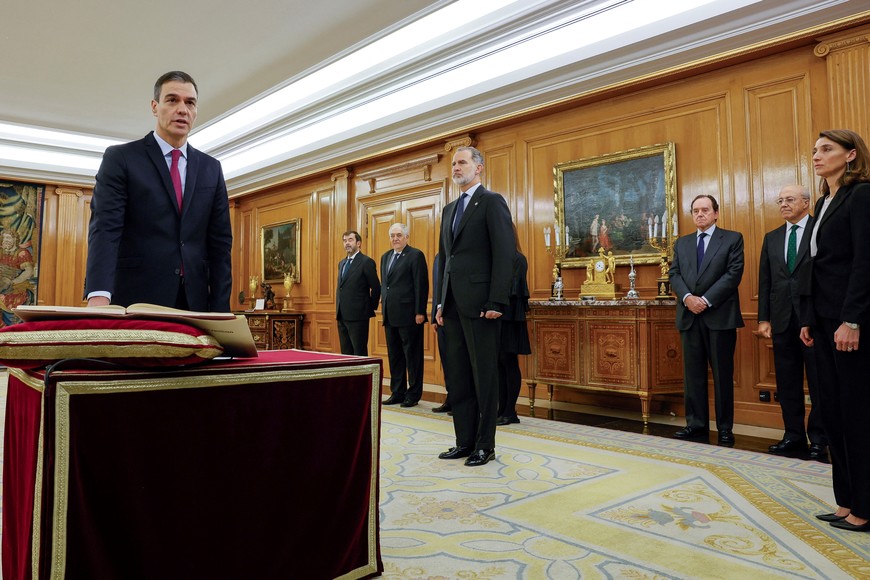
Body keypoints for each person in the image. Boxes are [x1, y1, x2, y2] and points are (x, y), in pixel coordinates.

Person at [85, 71, 232, 311]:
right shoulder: (121, 158)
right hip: (136, 297)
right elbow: (105, 229)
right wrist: (99, 294)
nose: (182, 109)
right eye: (172, 100)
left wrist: (221, 310)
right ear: (155, 107)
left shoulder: (211, 168)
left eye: (190, 103)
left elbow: (220, 244)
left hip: (194, 301)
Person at [800, 129, 870, 532]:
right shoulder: (824, 201)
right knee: (832, 412)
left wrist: (852, 320)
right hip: (824, 321)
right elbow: (816, 266)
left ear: (851, 154)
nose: (816, 155)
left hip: (850, 322)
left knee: (857, 414)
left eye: (826, 149)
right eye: (814, 150)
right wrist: (809, 318)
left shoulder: (861, 196)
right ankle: (846, 501)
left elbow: (865, 261)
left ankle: (866, 506)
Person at [435, 146, 514, 467]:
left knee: (484, 377)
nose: (456, 167)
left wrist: (496, 300)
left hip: (482, 305)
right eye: (453, 163)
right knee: (458, 377)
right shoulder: (449, 210)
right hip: (452, 306)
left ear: (478, 168)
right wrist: (439, 302)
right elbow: (444, 260)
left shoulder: (492, 202)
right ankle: (464, 441)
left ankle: (485, 445)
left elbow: (505, 253)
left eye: (462, 162)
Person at [757, 184, 827, 461]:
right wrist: (764, 318)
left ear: (806, 203)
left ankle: (819, 439)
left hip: (814, 320)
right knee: (787, 383)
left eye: (789, 199)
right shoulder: (772, 237)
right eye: (780, 201)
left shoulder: (820, 230)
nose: (784, 204)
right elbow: (765, 281)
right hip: (782, 320)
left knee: (819, 383)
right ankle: (793, 436)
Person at [669, 194, 744, 445]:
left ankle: (725, 428)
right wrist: (688, 298)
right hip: (689, 316)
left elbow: (733, 274)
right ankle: (696, 425)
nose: (700, 214)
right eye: (695, 211)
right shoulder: (682, 244)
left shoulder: (732, 239)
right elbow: (674, 274)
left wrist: (705, 300)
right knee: (693, 375)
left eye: (705, 210)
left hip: (719, 316)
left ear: (716, 213)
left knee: (722, 375)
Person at [380, 223, 429, 407]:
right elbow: (386, 285)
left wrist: (420, 311)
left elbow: (421, 285)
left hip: (409, 315)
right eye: (392, 235)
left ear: (406, 237)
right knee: (395, 356)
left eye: (399, 235)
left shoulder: (415, 255)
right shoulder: (385, 257)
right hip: (390, 314)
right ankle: (397, 392)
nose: (395, 239)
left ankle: (413, 394)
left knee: (412, 356)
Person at [497, 225, 531, 426]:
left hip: (511, 318)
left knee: (508, 362)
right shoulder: (498, 258)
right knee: (498, 364)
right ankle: (501, 409)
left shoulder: (518, 259)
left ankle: (510, 411)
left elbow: (513, 290)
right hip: (497, 318)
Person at [336, 230, 380, 356]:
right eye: (345, 241)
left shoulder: (366, 262)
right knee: (346, 354)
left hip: (359, 316)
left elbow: (376, 287)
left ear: (358, 243)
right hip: (342, 315)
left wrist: (369, 307)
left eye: (350, 240)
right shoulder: (342, 263)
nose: (347, 243)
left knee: (359, 353)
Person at [430, 252, 452, 414]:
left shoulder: (459, 253)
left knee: (460, 363)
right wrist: (433, 317)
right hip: (441, 319)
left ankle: (463, 400)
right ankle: (451, 398)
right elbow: (437, 287)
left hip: (457, 317)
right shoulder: (439, 257)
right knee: (447, 360)